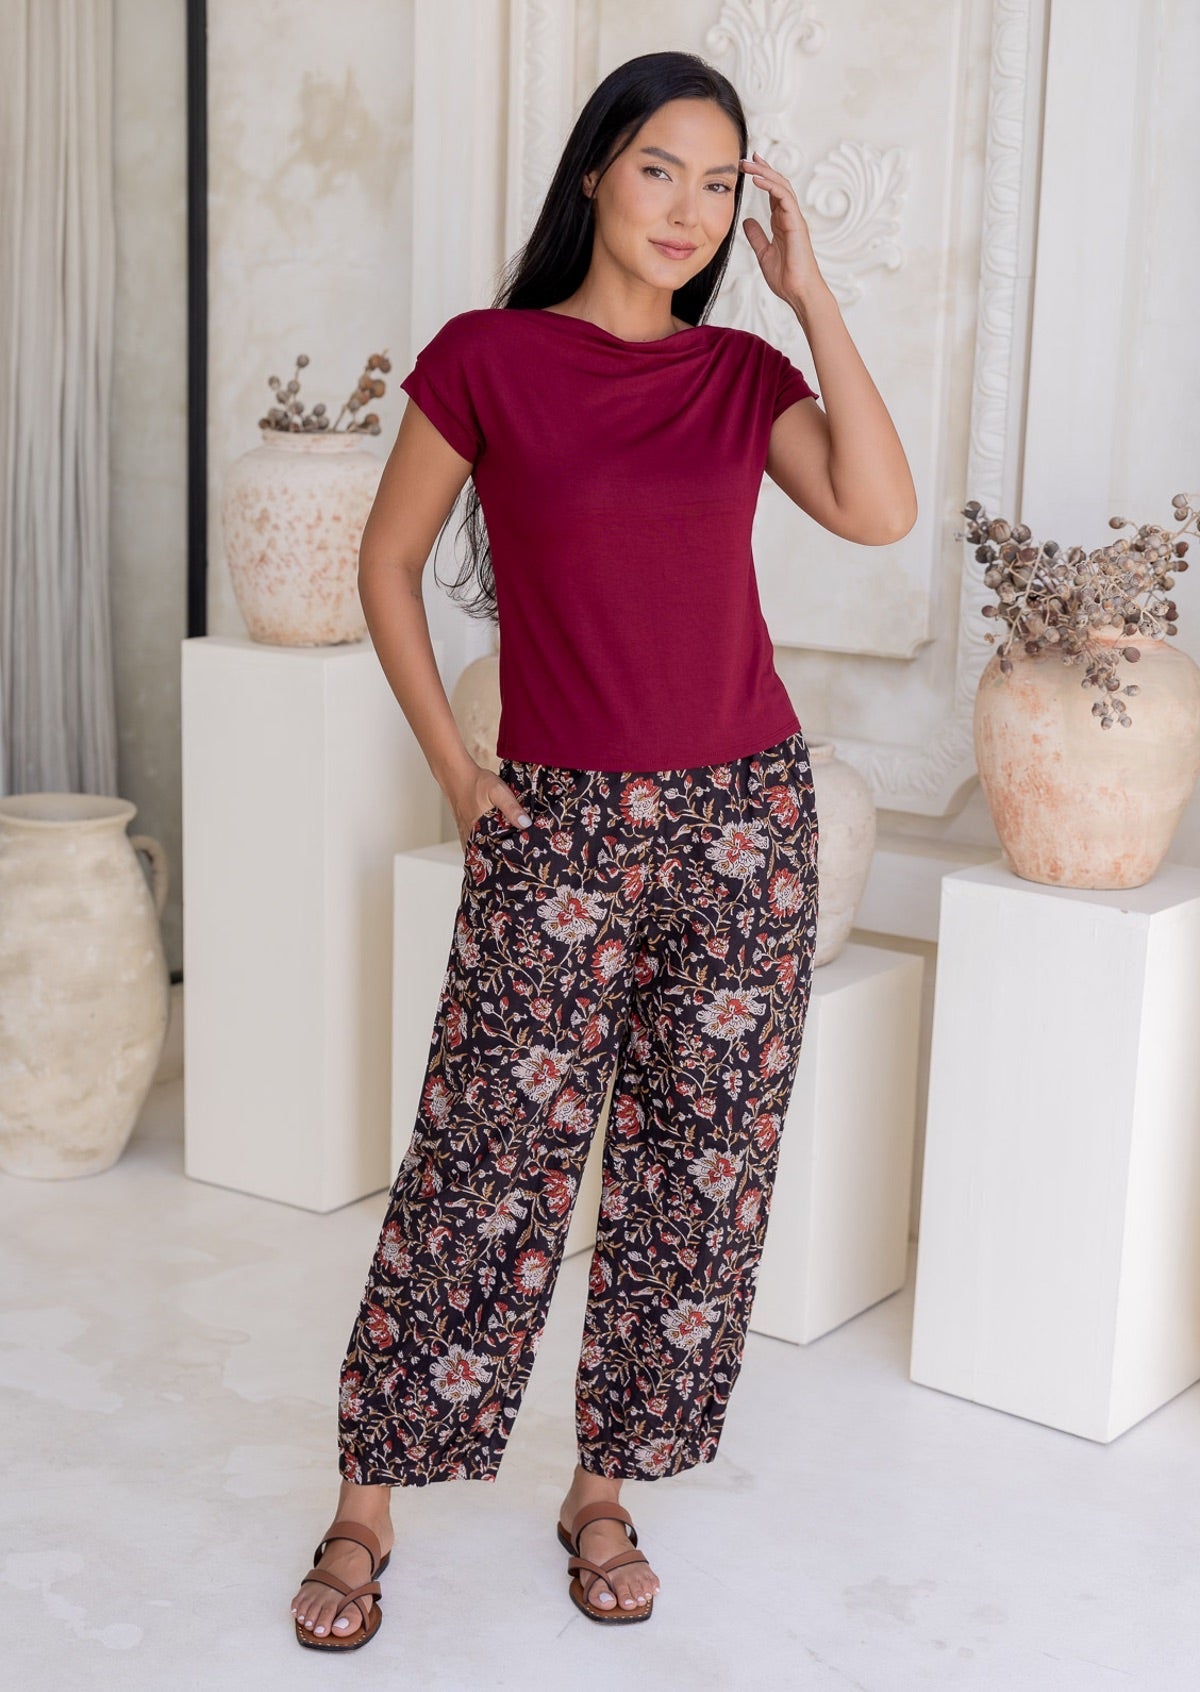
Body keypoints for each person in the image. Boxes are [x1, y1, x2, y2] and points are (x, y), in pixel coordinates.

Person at [290, 47, 916, 1650]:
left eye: (720, 186)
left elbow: (880, 508)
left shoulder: (738, 381)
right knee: (479, 1169)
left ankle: (603, 1488)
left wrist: (808, 292)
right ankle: (367, 1500)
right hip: (556, 821)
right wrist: (457, 770)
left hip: (745, 824)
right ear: (595, 175)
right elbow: (388, 563)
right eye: (663, 170)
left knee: (694, 1187)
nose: (690, 211)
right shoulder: (489, 358)